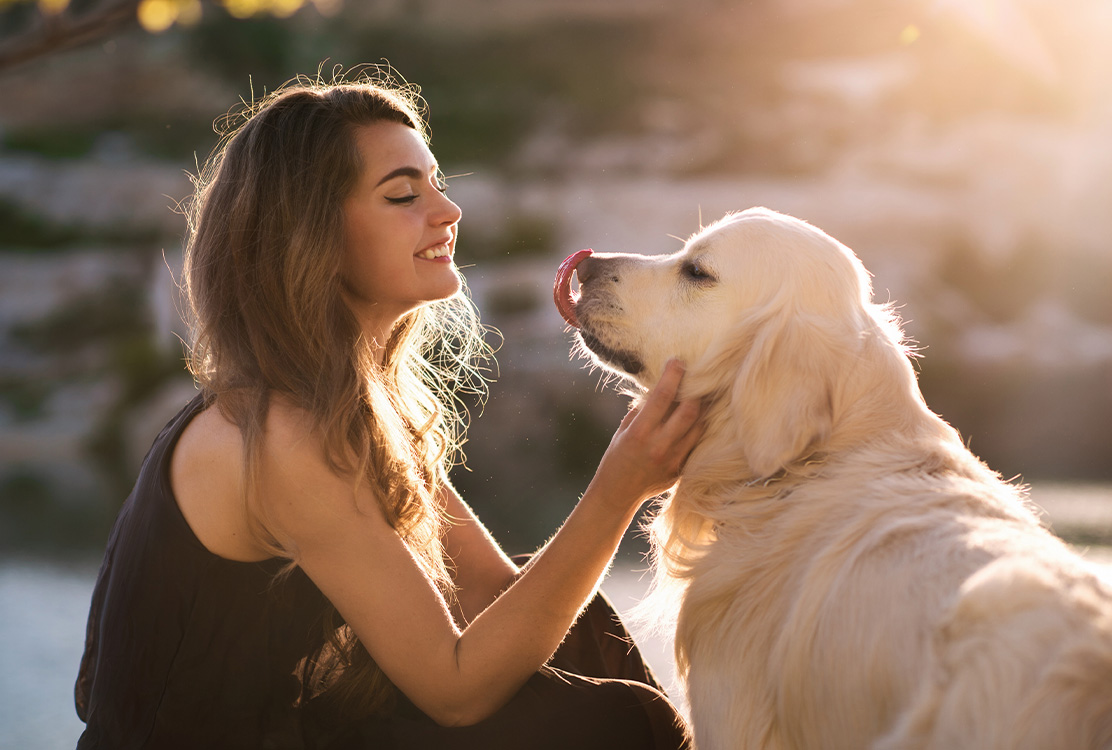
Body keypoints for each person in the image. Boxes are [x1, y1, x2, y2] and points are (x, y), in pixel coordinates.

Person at [74, 70, 703, 750]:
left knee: (583, 628)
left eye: (437, 183)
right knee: (610, 724)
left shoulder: (348, 406)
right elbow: (456, 692)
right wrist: (619, 488)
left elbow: (492, 593)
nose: (447, 211)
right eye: (404, 194)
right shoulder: (279, 433)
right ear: (310, 236)